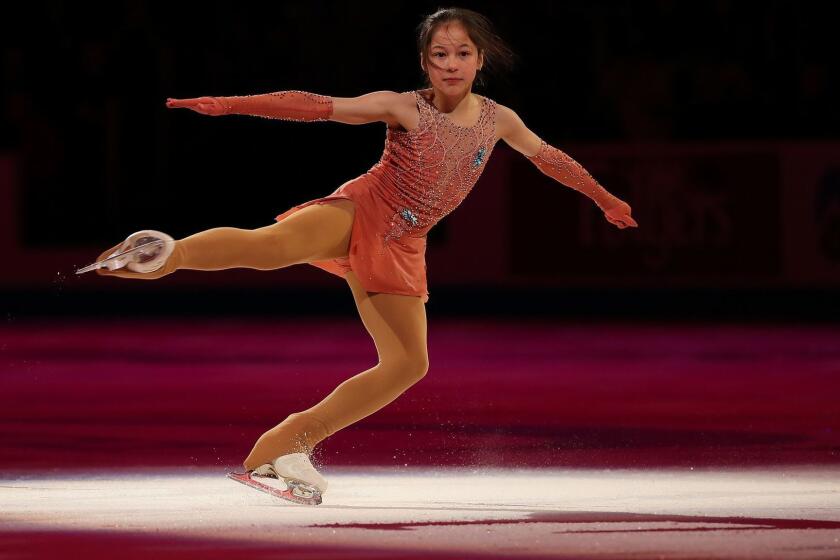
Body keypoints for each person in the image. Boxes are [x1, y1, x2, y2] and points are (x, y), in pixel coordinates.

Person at [85, 7, 638, 505]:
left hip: (404, 243)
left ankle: (283, 448)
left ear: (480, 59)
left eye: (462, 53)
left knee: (407, 364)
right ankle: (165, 254)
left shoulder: (500, 120)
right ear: (425, 63)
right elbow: (315, 107)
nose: (451, 64)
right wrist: (231, 104)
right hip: (364, 209)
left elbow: (552, 160)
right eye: (440, 54)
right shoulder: (403, 108)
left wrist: (604, 197)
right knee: (271, 247)